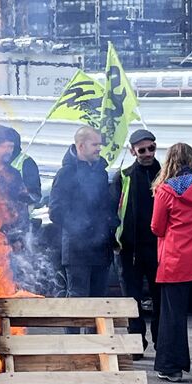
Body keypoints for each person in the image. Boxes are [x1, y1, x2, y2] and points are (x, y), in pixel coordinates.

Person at [151, 143, 192, 383]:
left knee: (172, 317)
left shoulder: (165, 190)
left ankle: (171, 367)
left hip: (174, 262)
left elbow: (156, 227)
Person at [49, 126, 117, 300]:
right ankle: (73, 329)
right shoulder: (66, 173)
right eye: (95, 144)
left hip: (101, 249)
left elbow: (105, 206)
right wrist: (80, 226)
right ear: (81, 146)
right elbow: (55, 211)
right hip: (77, 251)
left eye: (99, 144)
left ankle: (95, 330)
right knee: (77, 301)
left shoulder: (101, 173)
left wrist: (111, 225)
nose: (99, 148)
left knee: (98, 301)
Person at [111, 129, 161, 358]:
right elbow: (112, 210)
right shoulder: (123, 176)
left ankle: (162, 343)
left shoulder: (164, 173)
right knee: (132, 300)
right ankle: (136, 344)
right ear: (133, 151)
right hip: (129, 250)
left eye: (151, 148)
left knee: (160, 298)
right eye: (142, 150)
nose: (148, 153)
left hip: (158, 248)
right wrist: (114, 239)